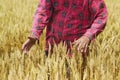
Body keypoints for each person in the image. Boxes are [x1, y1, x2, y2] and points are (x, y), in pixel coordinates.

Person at [22, 0, 108, 57]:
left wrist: (88, 36)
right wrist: (34, 35)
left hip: (77, 51)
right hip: (52, 49)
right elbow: (42, 12)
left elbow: (101, 15)